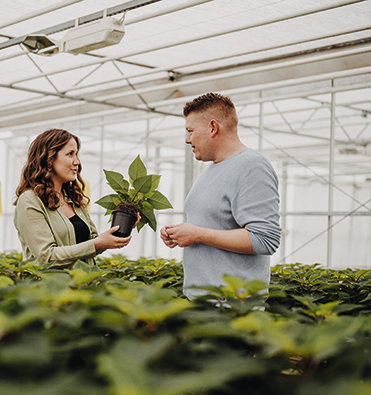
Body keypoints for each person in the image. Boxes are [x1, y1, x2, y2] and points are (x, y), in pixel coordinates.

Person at [160, 92, 281, 300]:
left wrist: (197, 234)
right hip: (204, 303)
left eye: (190, 131)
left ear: (213, 128)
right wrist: (182, 233)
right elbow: (214, 224)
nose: (187, 140)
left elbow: (265, 239)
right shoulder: (212, 169)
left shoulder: (252, 167)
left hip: (231, 306)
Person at [14, 128, 134, 269]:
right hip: (50, 289)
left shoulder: (74, 199)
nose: (77, 162)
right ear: (49, 158)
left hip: (83, 285)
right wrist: (96, 244)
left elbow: (92, 245)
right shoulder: (30, 200)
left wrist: (117, 233)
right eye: (70, 154)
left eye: (76, 154)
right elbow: (46, 256)